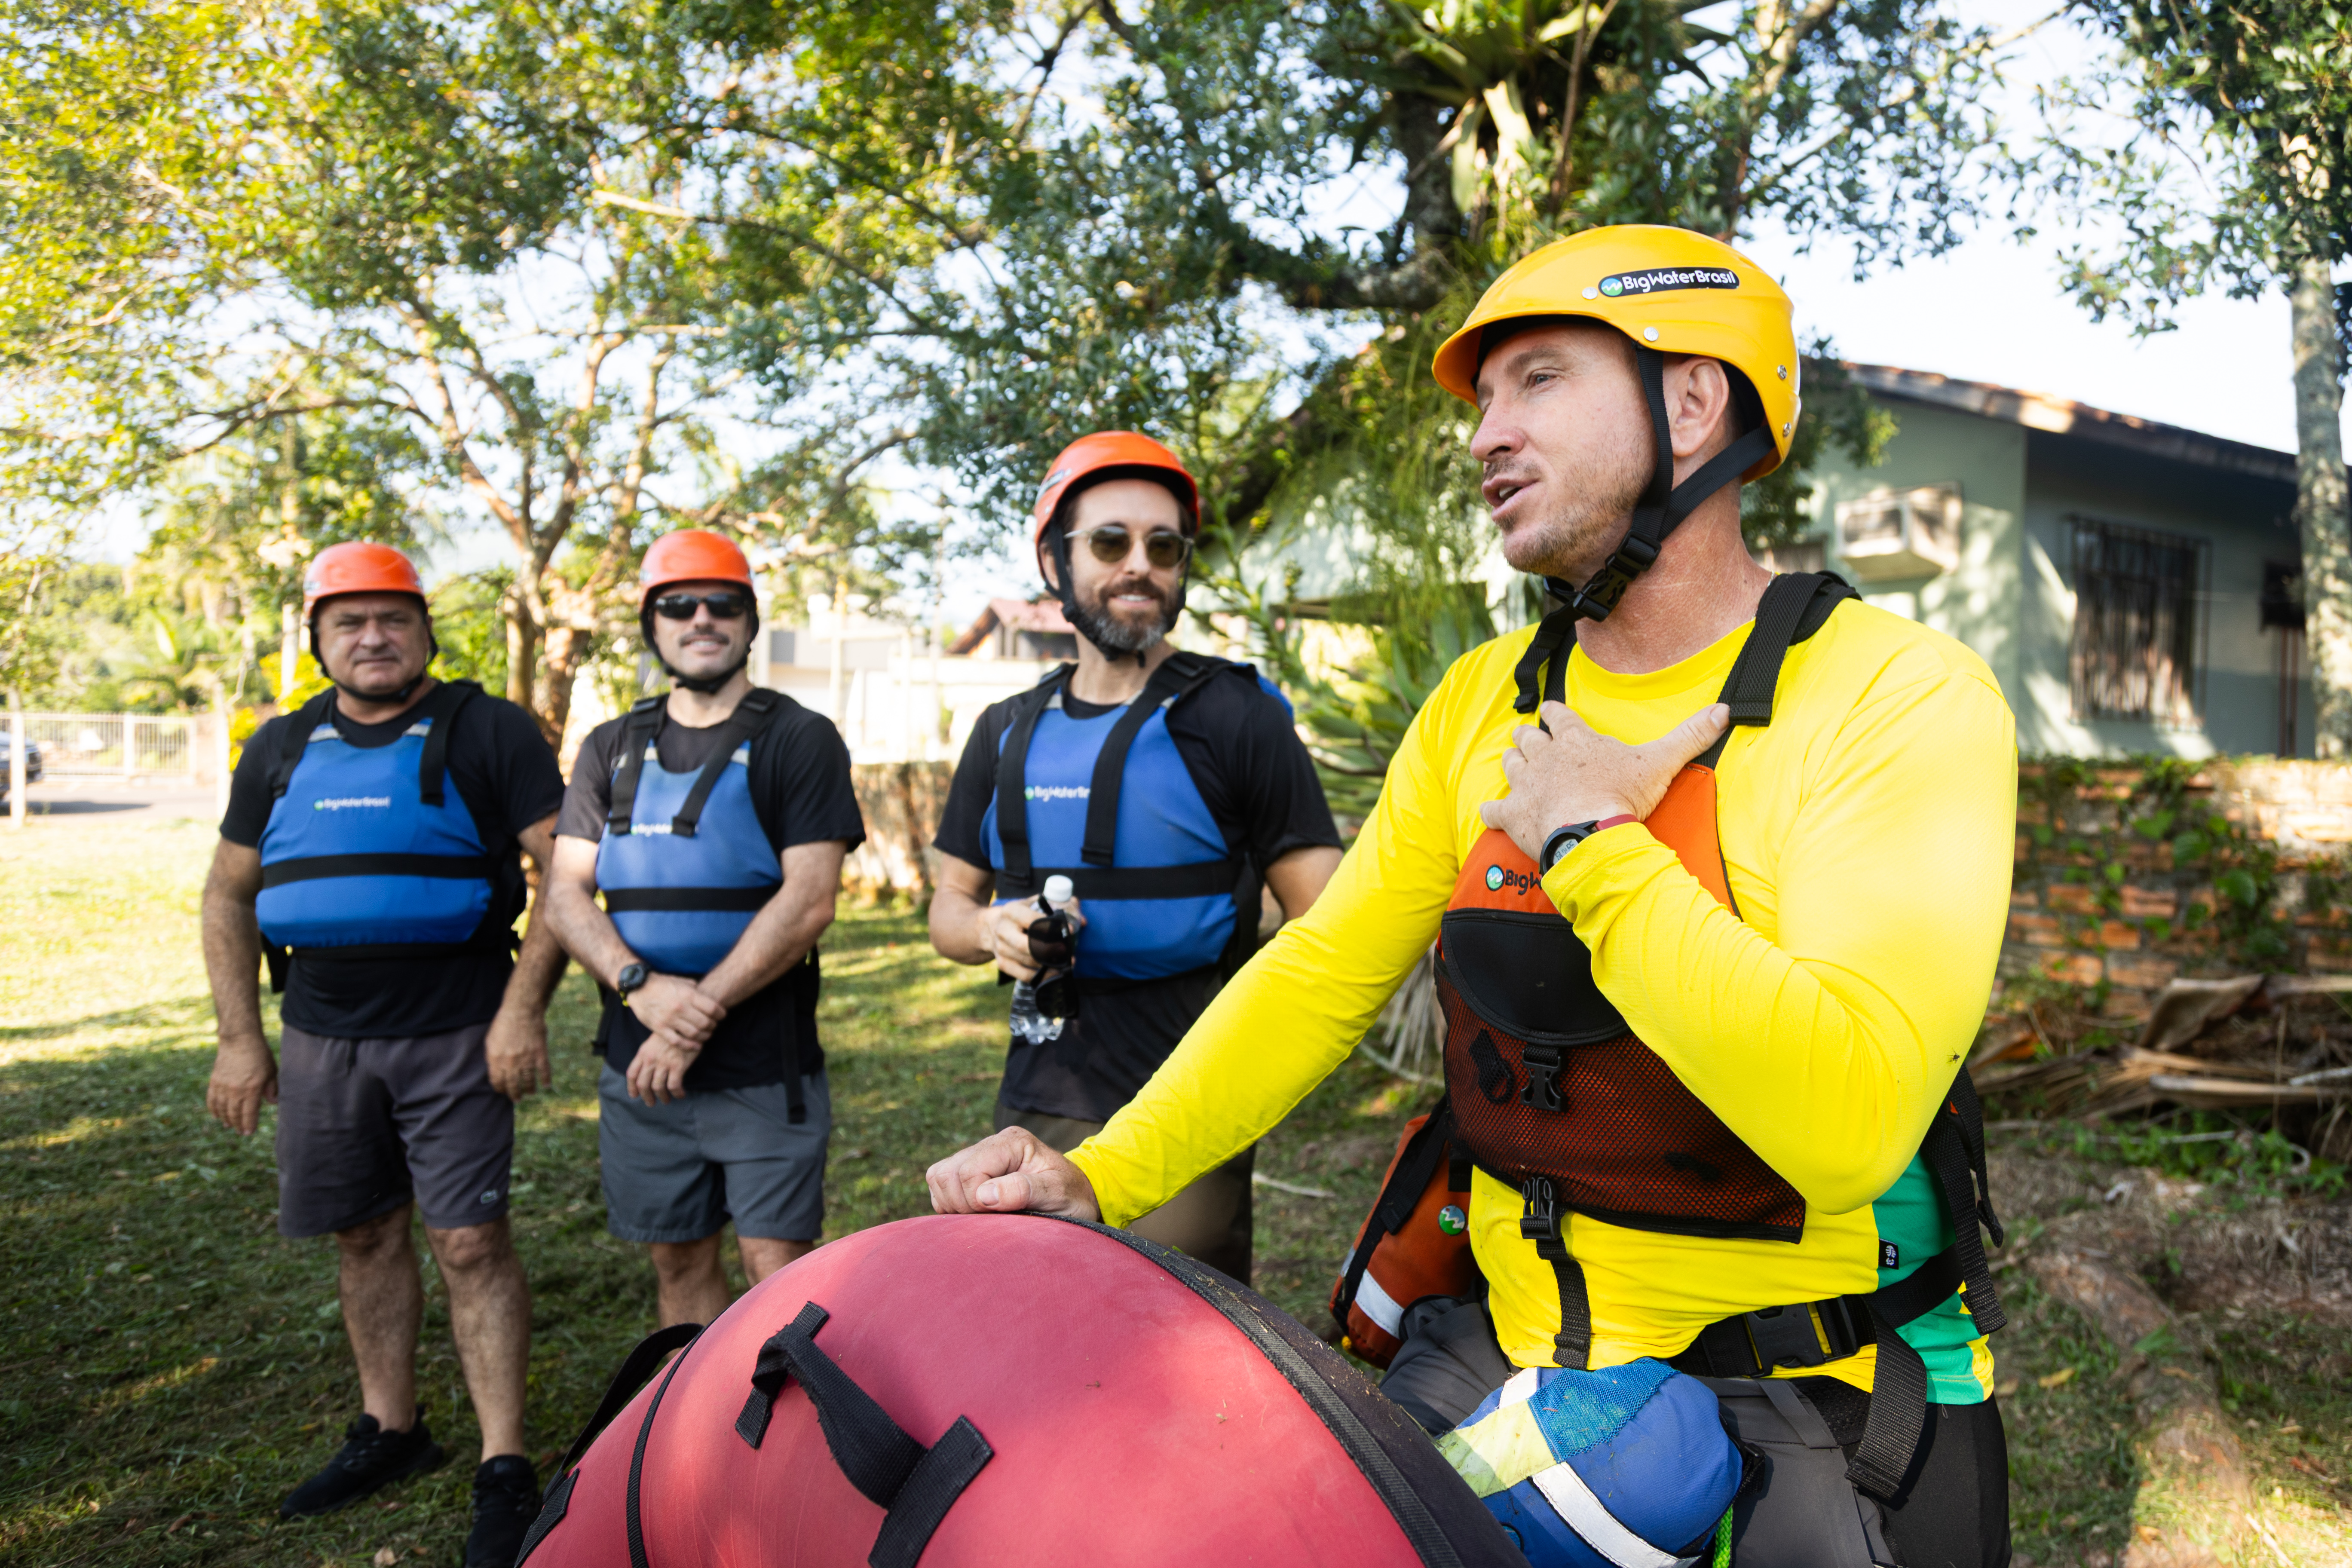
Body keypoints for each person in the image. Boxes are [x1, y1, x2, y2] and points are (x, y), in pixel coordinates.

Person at [926, 227, 2018, 1563]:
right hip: (1505, 1359)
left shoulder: (1898, 698)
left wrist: (1590, 844)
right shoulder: (1482, 702)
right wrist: (1099, 1175)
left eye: (1539, 380)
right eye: (1483, 400)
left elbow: (1848, 1117)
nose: (1487, 433)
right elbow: (1326, 971)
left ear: (1693, 402)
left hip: (1808, 1399)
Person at [202, 541, 567, 1568]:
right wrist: (240, 1038)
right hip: (320, 1038)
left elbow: (565, 874)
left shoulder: (489, 730)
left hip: (457, 1034)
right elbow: (227, 894)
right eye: (349, 621)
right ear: (319, 639)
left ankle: (505, 1462)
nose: (373, 637)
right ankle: (392, 1429)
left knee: (469, 1244)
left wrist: (521, 1011)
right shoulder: (277, 747)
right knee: (363, 1236)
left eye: (393, 619)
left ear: (424, 631)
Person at [926, 432, 1344, 1283]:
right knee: (1040, 1323)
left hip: (1194, 1092)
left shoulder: (1239, 715)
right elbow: (946, 911)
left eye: (1164, 547)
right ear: (1055, 560)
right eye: (1110, 542)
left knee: (1174, 1333)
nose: (1139, 566)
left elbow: (1329, 924)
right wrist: (991, 930)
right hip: (1040, 1085)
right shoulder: (1003, 730)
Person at [542, 529, 863, 1328]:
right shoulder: (610, 747)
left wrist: (693, 1019)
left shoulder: (799, 737)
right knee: (677, 1257)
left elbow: (810, 899)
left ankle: (786, 1439)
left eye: (724, 604)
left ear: (751, 621)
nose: (702, 619)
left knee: (775, 1270)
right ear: (652, 623)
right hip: (638, 1060)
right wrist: (639, 988)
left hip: (763, 1062)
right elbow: (565, 897)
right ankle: (694, 1431)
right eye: (678, 605)